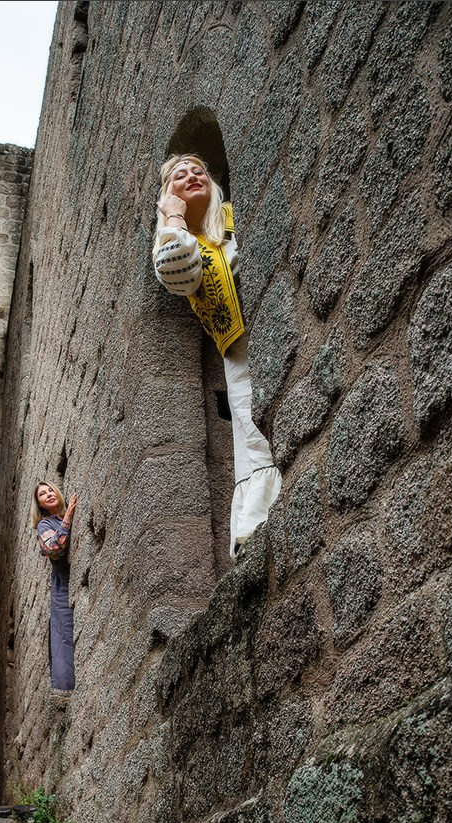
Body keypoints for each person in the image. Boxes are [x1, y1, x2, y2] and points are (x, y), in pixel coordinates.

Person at [153, 152, 282, 557]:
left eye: (199, 170)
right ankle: (255, 523)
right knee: (250, 431)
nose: (192, 176)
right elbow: (177, 272)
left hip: (272, 318)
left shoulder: (230, 218)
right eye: (179, 175)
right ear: (167, 194)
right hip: (238, 347)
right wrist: (173, 218)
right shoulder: (181, 241)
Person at [31, 481, 77, 692]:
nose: (48, 494)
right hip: (63, 587)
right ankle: (66, 689)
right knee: (64, 636)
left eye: (50, 490)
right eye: (42, 494)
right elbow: (54, 549)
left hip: (72, 579)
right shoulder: (45, 525)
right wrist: (68, 518)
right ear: (40, 504)